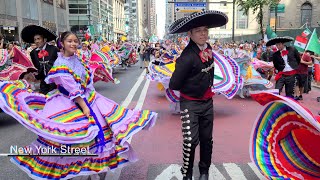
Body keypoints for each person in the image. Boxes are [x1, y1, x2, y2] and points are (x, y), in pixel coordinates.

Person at [0, 31, 157, 180]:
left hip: (88, 98)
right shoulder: (60, 63)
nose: (73, 43)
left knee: (99, 134)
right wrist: (85, 106)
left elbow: (86, 80)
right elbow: (71, 88)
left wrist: (92, 97)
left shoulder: (78, 58)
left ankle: (93, 168)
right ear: (62, 43)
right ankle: (77, 168)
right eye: (70, 41)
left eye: (76, 41)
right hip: (69, 101)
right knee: (72, 136)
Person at [168, 10, 228, 180]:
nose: (203, 34)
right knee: (190, 141)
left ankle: (204, 171)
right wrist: (194, 87)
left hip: (208, 103)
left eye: (205, 30)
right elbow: (174, 84)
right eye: (198, 31)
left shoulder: (208, 48)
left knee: (207, 139)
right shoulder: (186, 57)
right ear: (190, 34)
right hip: (190, 104)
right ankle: (186, 173)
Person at [21, 25, 59, 94]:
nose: (36, 41)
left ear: (44, 39)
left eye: (38, 39)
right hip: (43, 81)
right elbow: (36, 67)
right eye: (35, 39)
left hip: (55, 80)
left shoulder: (54, 49)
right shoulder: (33, 53)